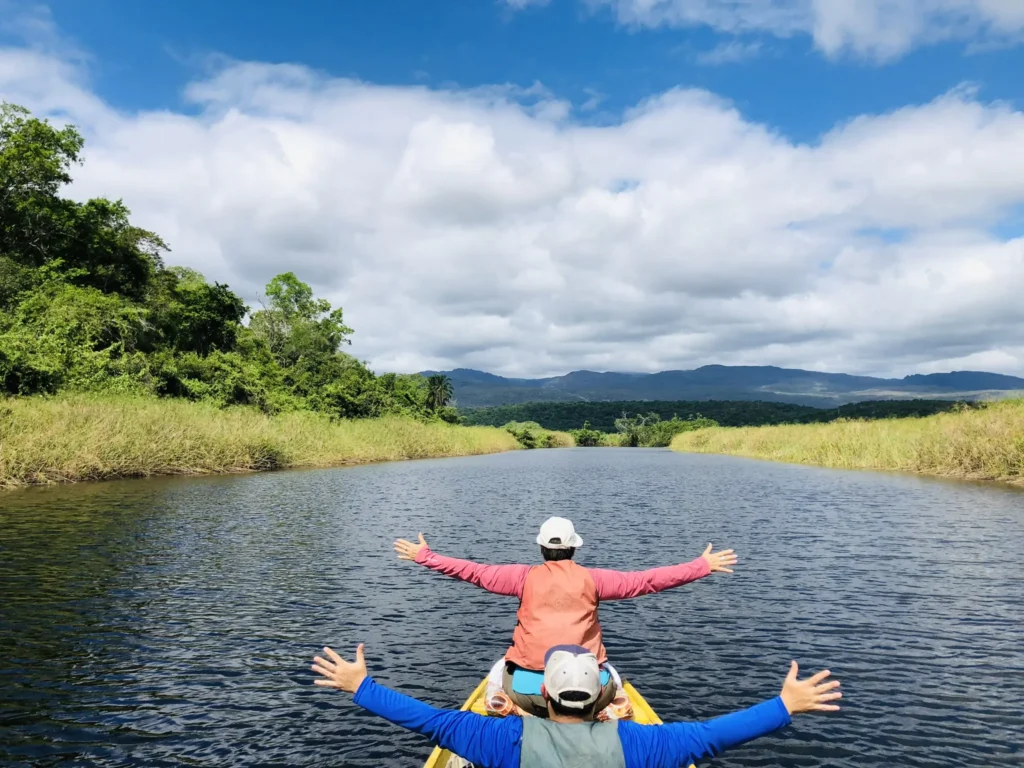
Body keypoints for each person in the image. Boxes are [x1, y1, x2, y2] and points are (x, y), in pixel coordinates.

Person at [394, 516, 737, 718]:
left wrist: (427, 556)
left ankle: (502, 702)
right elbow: (647, 581)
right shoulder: (595, 579)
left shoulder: (522, 577)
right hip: (587, 692)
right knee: (610, 671)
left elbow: (473, 572)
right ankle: (614, 704)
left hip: (527, 691)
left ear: (542, 547)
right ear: (574, 547)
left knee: (501, 666)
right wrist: (700, 566)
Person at [311, 642, 841, 768]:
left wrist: (360, 686)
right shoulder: (639, 744)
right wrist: (784, 705)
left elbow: (427, 720)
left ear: (543, 693)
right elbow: (709, 736)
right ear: (609, 697)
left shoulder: (500, 738)